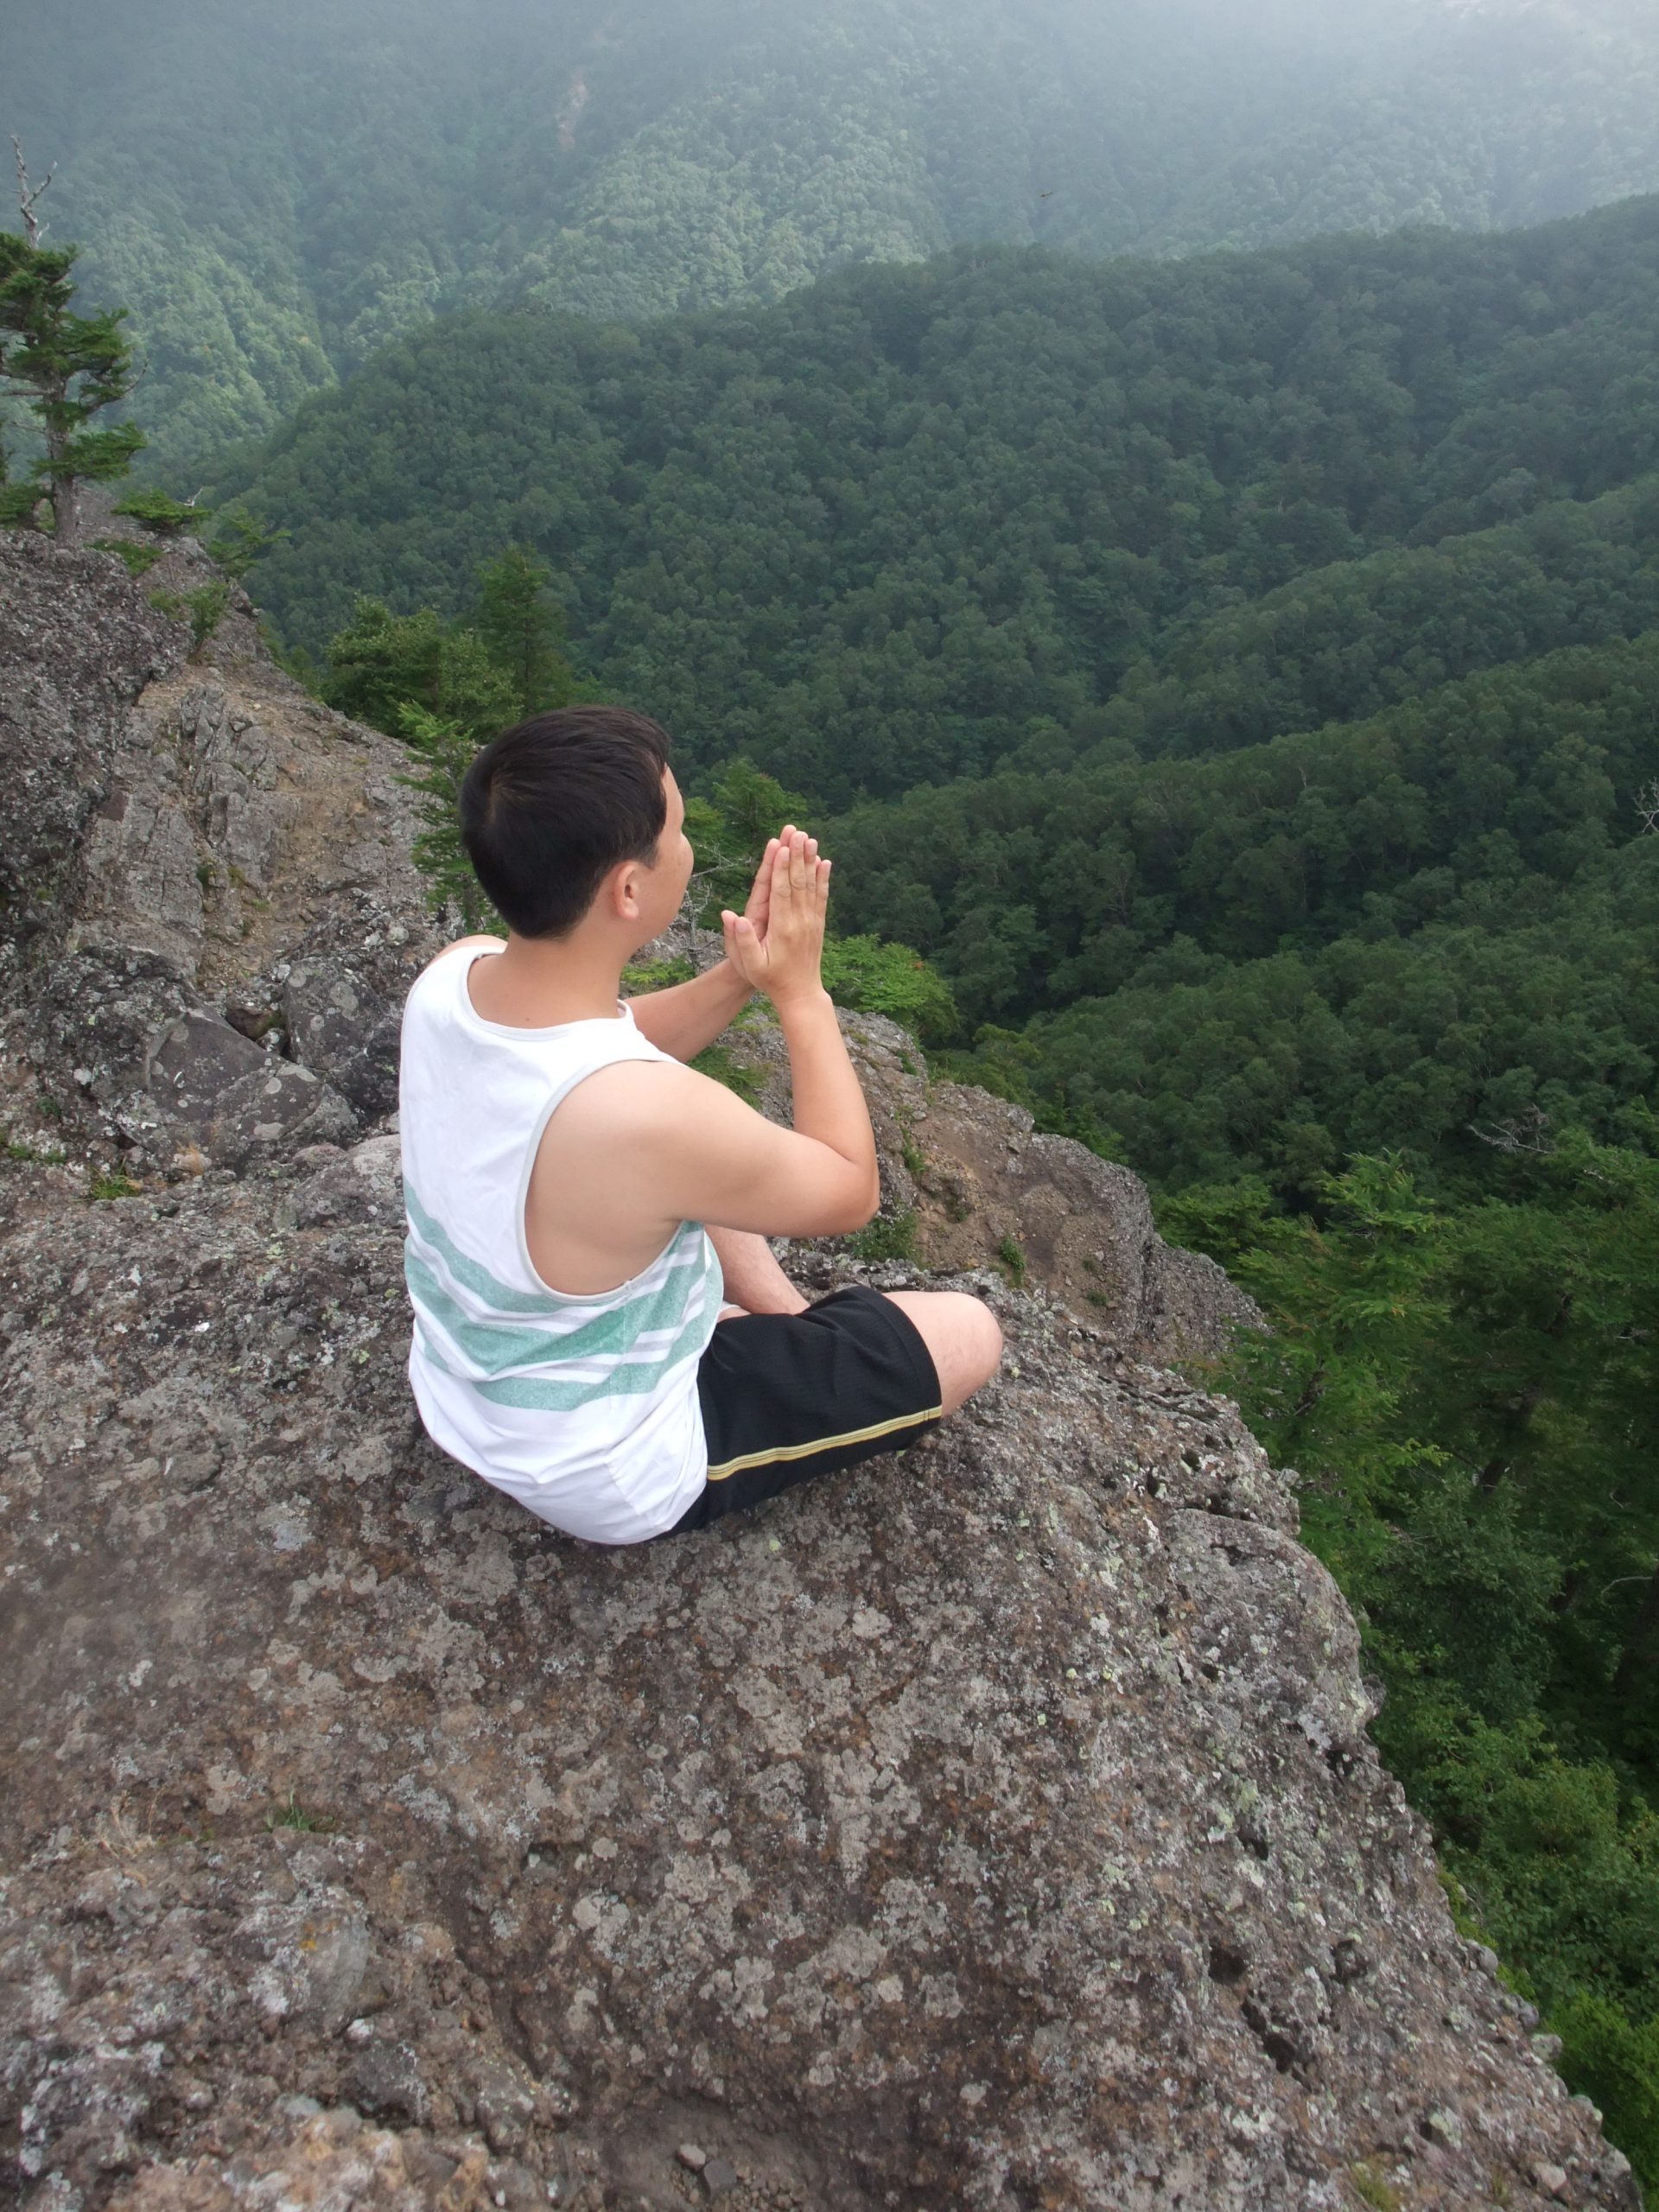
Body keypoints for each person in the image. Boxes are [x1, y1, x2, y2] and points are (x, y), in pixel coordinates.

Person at [397, 705, 1003, 1545]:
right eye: (677, 831)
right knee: (970, 1333)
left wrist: (741, 974)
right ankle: (785, 1335)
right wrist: (801, 990)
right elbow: (847, 1188)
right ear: (630, 889)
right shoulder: (641, 1118)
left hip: (469, 1385)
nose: (687, 846)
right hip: (609, 1462)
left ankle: (776, 1317)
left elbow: (605, 1042)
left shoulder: (452, 979)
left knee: (692, 1158)